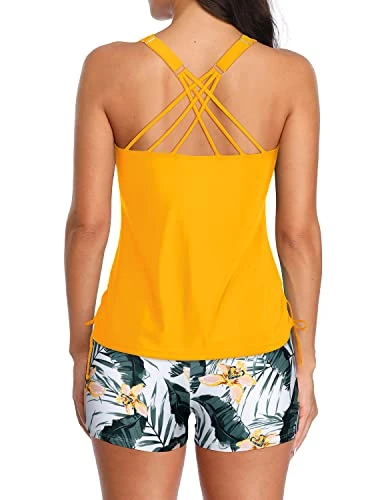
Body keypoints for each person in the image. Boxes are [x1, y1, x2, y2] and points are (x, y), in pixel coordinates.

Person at [64, 0, 321, 498]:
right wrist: (306, 360)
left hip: (130, 357)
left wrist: (80, 350)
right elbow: (298, 235)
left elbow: (88, 227)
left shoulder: (108, 67)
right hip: (252, 358)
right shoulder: (289, 75)